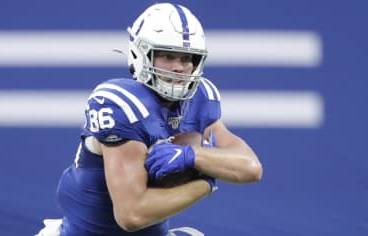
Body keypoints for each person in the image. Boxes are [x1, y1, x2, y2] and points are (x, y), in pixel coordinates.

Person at [36, 2, 262, 236]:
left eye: (187, 58)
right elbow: (131, 215)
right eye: (168, 56)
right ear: (141, 54)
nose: (179, 67)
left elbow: (251, 167)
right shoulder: (122, 104)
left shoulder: (199, 99)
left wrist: (193, 155)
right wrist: (205, 183)